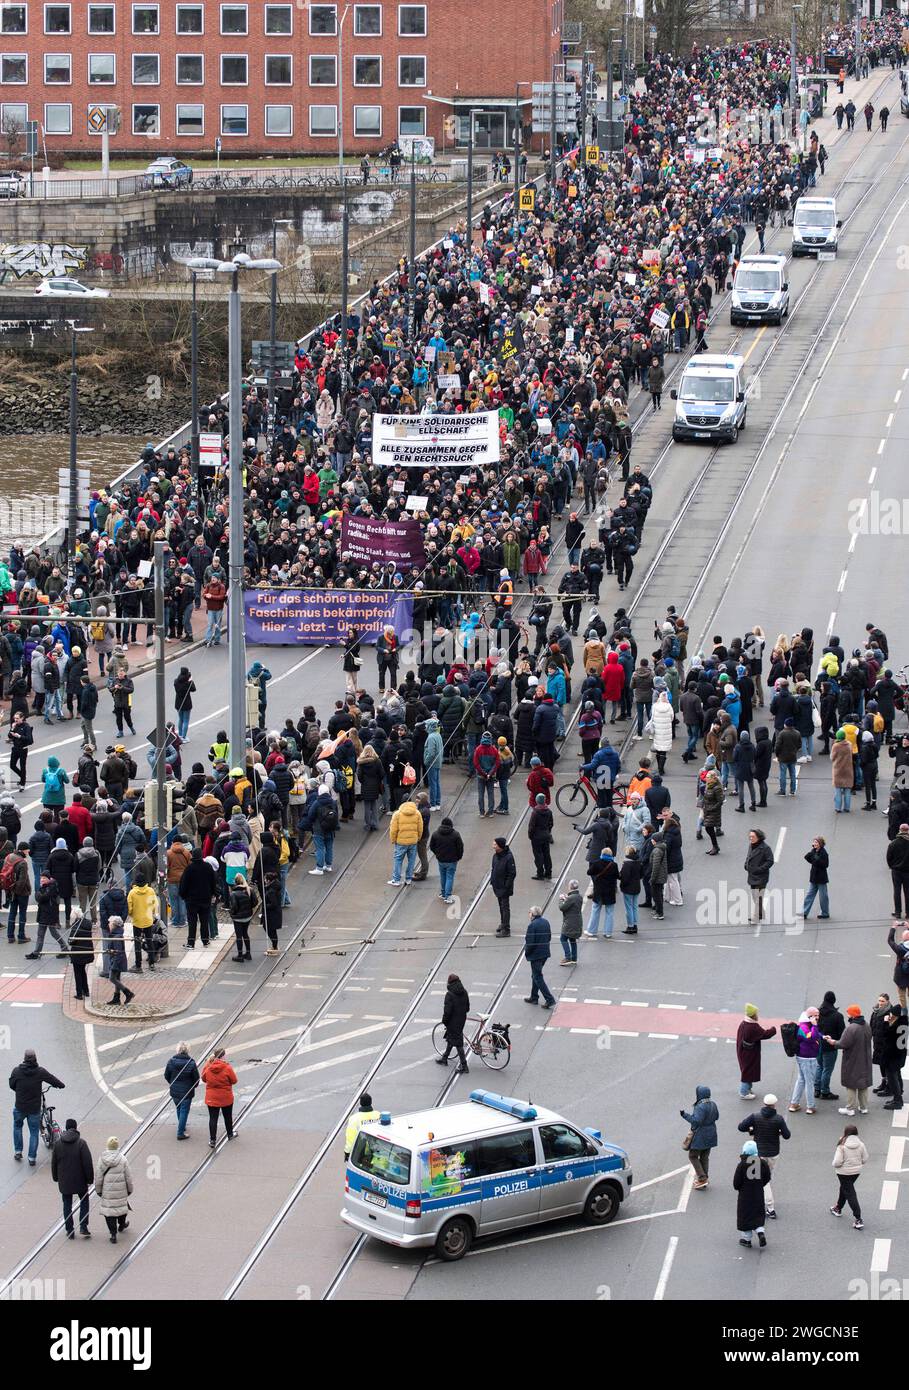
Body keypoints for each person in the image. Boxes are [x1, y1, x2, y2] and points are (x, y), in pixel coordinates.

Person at [737, 1096, 789, 1221]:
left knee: (756, 1178)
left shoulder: (755, 1116)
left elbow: (741, 1127)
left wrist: (752, 1129)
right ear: (774, 1105)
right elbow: (787, 1135)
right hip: (773, 1154)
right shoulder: (778, 1119)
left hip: (757, 1153)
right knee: (766, 1179)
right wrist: (779, 1132)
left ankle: (762, 1204)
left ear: (764, 1103)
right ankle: (769, 1207)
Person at [9, 1048, 64, 1165]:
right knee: (34, 1132)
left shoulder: (16, 1071)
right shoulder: (40, 1072)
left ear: (24, 1058)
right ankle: (32, 1158)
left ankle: (18, 1151)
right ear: (35, 1058)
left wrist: (19, 1091)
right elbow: (52, 1079)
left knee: (17, 1127)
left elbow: (11, 1085)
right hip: (34, 1109)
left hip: (20, 1106)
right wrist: (60, 1085)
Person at [824, 1004, 873, 1117]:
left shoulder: (851, 1028)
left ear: (852, 1015)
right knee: (863, 1084)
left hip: (853, 1060)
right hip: (865, 1059)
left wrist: (832, 1041)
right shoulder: (866, 1025)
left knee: (851, 1084)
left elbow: (842, 1044)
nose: (847, 1016)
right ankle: (863, 1107)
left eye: (848, 1014)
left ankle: (850, 1108)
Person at [51, 1117, 94, 1239]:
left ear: (65, 1127)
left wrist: (55, 1177)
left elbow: (54, 1163)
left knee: (67, 1204)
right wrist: (90, 1179)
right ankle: (83, 1226)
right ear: (76, 1128)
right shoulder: (81, 1143)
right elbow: (87, 1163)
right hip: (80, 1180)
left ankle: (69, 1229)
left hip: (65, 1181)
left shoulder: (58, 1144)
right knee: (84, 1200)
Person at [95, 1136, 134, 1244]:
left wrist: (98, 1190)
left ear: (107, 1146)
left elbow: (98, 1177)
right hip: (121, 1190)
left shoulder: (102, 1159)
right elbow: (128, 1177)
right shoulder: (122, 1159)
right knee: (121, 1207)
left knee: (109, 1212)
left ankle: (113, 1233)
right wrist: (130, 1189)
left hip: (107, 1191)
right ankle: (122, 1224)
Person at [680, 1083, 719, 1190]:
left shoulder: (700, 1106)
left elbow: (696, 1121)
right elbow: (717, 1116)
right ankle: (704, 1178)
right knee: (704, 1157)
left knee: (693, 1156)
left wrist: (685, 1115)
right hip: (711, 1133)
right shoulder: (713, 1104)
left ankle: (702, 1178)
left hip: (701, 1135)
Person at [735, 1003, 777, 1100]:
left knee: (748, 1070)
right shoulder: (753, 1027)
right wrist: (773, 1029)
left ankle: (748, 1089)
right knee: (748, 1072)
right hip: (749, 1054)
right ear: (753, 1015)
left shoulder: (744, 1024)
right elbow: (765, 1034)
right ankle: (744, 1092)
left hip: (743, 1051)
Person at [734, 1140, 770, 1248]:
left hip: (745, 1196)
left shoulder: (742, 1165)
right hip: (758, 1193)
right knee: (758, 1215)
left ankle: (746, 1239)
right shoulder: (762, 1163)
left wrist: (739, 1187)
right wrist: (760, 1184)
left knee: (746, 1217)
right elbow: (767, 1177)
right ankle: (760, 1232)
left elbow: (736, 1182)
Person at [830, 1124, 867, 1229]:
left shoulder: (842, 1146)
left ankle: (858, 1218)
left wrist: (835, 1165)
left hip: (843, 1173)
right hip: (856, 1172)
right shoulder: (861, 1144)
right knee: (845, 1188)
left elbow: (837, 1162)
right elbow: (865, 1159)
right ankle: (838, 1208)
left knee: (850, 1194)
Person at [201, 1047, 237, 1147]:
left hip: (211, 1098)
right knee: (227, 1116)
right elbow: (234, 1080)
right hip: (225, 1097)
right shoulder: (227, 1067)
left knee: (213, 1118)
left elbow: (203, 1078)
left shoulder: (208, 1066)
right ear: (223, 1056)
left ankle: (212, 1140)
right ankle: (230, 1134)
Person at [164, 1042, 200, 1140]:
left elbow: (166, 1075)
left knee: (179, 1108)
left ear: (178, 1050)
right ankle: (180, 1132)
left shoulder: (171, 1061)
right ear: (187, 1050)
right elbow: (196, 1078)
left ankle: (182, 1125)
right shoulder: (191, 1063)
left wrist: (172, 1083)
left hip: (175, 1091)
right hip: (187, 1091)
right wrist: (193, 1086)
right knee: (184, 1110)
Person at [789, 1006, 821, 1114]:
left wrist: (822, 1036)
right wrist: (815, 1026)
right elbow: (810, 1038)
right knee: (809, 1082)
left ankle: (794, 1104)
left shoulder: (804, 1024)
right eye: (815, 1015)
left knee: (801, 1080)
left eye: (818, 1015)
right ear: (809, 1016)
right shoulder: (805, 1026)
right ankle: (810, 1106)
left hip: (803, 1056)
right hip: (808, 1058)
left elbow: (814, 1035)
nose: (817, 1017)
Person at [435, 973, 470, 1072]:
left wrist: (444, 1021)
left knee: (458, 1044)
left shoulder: (450, 994)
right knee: (451, 1038)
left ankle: (464, 1066)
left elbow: (447, 1011)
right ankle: (444, 1058)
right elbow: (467, 1008)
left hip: (452, 1022)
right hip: (461, 1020)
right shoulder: (464, 992)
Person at [815, 989, 845, 1101]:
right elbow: (842, 1032)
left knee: (819, 1066)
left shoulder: (818, 1013)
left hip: (818, 1044)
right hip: (830, 1045)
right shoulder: (837, 1016)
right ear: (834, 1001)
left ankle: (817, 1089)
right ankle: (825, 1091)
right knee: (827, 1069)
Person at [523, 906, 555, 1008]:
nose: (529, 914)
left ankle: (549, 999)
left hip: (536, 955)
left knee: (538, 977)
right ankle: (534, 997)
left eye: (529, 912)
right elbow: (549, 936)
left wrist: (527, 953)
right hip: (544, 953)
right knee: (535, 975)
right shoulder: (546, 922)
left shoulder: (532, 925)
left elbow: (530, 943)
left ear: (532, 914)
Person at [388, 796, 422, 886]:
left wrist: (393, 840)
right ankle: (408, 879)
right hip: (413, 841)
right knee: (411, 860)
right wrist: (418, 837)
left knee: (398, 859)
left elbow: (393, 829)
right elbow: (420, 828)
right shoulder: (417, 813)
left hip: (401, 842)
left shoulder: (397, 814)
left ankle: (396, 879)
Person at [586, 846, 619, 939]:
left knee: (595, 910)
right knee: (610, 912)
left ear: (602, 854)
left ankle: (592, 931)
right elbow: (617, 875)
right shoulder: (614, 865)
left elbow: (589, 872)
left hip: (599, 891)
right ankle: (608, 932)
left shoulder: (597, 863)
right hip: (610, 891)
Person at [429, 816, 463, 904]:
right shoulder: (455, 834)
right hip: (452, 860)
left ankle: (443, 893)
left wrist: (437, 854)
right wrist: (458, 857)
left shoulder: (435, 834)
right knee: (450, 877)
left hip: (441, 860)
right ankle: (448, 896)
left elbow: (432, 846)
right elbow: (460, 847)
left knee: (443, 876)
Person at [744, 828, 774, 925]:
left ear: (759, 837)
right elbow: (748, 856)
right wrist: (746, 864)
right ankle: (761, 913)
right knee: (755, 897)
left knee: (758, 897)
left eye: (753, 837)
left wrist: (760, 869)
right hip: (752, 875)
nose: (751, 838)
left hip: (761, 877)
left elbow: (770, 861)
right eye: (750, 836)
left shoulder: (765, 848)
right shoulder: (751, 845)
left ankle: (756, 917)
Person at [228, 873, 259, 962]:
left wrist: (231, 913)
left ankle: (240, 955)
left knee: (239, 936)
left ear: (235, 882)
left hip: (238, 918)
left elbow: (234, 907)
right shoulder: (250, 890)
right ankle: (248, 953)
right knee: (245, 934)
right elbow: (255, 902)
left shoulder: (233, 894)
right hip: (247, 916)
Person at [106, 916, 134, 1006]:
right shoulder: (116, 934)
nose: (108, 925)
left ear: (114, 925)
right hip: (117, 960)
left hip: (117, 961)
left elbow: (118, 952)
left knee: (112, 978)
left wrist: (114, 964)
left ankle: (128, 993)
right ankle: (116, 998)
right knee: (117, 978)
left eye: (110, 923)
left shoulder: (117, 936)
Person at [491, 835, 516, 937]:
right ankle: (503, 923)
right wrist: (492, 880)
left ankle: (506, 929)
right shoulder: (495, 855)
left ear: (500, 846)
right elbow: (493, 868)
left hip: (504, 888)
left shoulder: (508, 857)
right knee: (501, 906)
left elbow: (512, 873)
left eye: (495, 844)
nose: (493, 845)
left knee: (505, 907)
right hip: (497, 886)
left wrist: (506, 886)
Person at [344, 1091, 380, 1159]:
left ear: (360, 1103)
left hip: (362, 1153)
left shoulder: (354, 1118)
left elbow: (351, 1138)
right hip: (378, 1151)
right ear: (371, 1102)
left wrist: (347, 1152)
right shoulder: (378, 1115)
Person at [68, 908, 93, 1002]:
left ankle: (79, 993)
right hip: (87, 952)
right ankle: (86, 991)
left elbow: (71, 941)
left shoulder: (75, 927)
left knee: (78, 973)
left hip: (77, 953)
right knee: (83, 971)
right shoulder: (88, 923)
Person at [802, 836, 830, 919]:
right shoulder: (813, 851)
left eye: (816, 842)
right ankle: (804, 912)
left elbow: (826, 865)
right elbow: (807, 857)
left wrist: (817, 860)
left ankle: (825, 913)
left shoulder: (824, 853)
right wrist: (813, 856)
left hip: (821, 878)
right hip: (814, 877)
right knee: (809, 895)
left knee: (823, 897)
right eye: (814, 842)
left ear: (820, 844)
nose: (814, 843)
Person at [528, 792, 553, 880]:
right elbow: (551, 823)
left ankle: (540, 873)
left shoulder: (535, 813)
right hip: (546, 835)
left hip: (537, 837)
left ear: (537, 801)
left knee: (538, 855)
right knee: (547, 854)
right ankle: (548, 872)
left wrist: (530, 835)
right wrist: (548, 832)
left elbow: (531, 826)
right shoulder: (549, 811)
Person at [558, 880, 583, 965]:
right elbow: (573, 904)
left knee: (563, 938)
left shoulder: (571, 898)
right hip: (577, 922)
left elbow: (562, 907)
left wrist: (561, 899)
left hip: (570, 922)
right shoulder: (579, 896)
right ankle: (574, 958)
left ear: (570, 887)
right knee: (572, 939)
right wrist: (567, 898)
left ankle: (568, 957)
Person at [620, 845, 641, 935]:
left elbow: (624, 877)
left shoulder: (627, 864)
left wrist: (622, 885)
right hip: (636, 887)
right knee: (635, 906)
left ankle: (630, 926)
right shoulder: (638, 862)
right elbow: (641, 874)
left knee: (629, 907)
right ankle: (635, 925)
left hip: (628, 888)